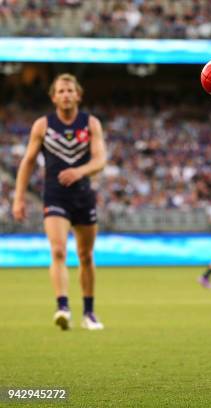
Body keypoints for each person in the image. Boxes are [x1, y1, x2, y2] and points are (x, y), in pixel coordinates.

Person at [12, 73, 107, 331]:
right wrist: (18, 197)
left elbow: (100, 160)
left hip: (84, 195)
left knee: (86, 255)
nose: (66, 95)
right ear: (53, 97)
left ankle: (89, 312)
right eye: (61, 91)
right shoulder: (43, 125)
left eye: (70, 90)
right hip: (55, 195)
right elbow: (28, 162)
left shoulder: (90, 124)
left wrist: (80, 171)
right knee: (58, 251)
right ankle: (62, 307)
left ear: (78, 95)